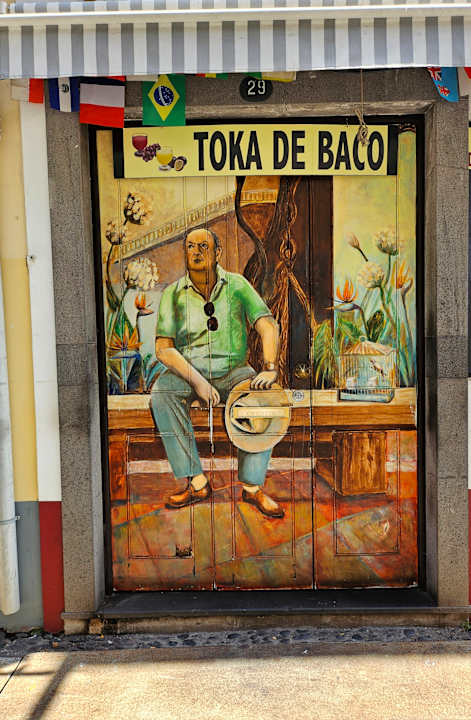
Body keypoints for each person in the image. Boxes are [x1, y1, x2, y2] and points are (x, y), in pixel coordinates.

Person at [150, 226, 284, 518]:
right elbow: (163, 348)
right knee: (162, 393)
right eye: (190, 246)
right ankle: (197, 482)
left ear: (218, 252)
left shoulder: (237, 285)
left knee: (263, 399)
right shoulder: (173, 293)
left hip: (234, 371)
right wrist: (198, 382)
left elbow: (267, 325)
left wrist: (270, 368)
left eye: (203, 246)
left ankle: (252, 487)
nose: (196, 252)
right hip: (189, 373)